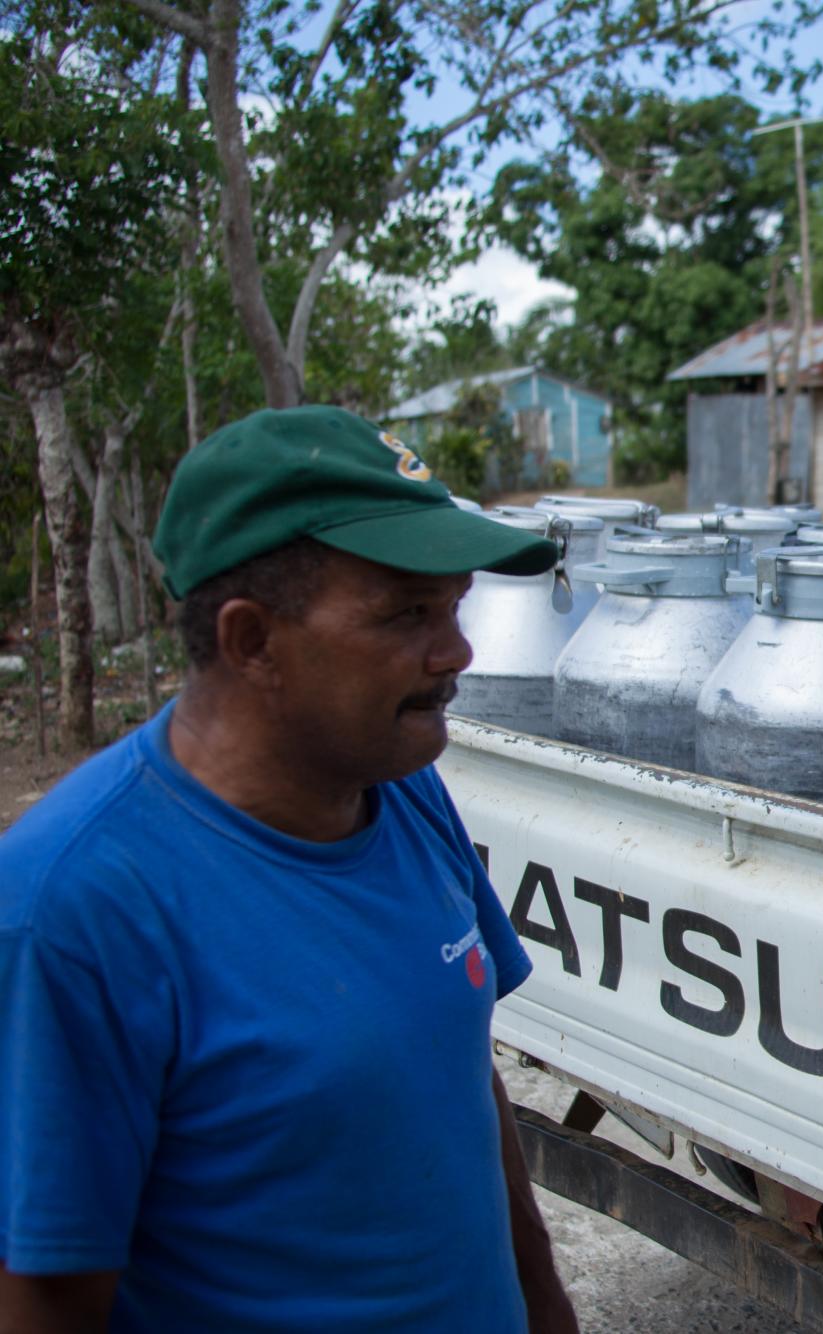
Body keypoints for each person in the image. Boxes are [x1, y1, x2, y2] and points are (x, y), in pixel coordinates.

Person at [0, 407, 580, 1332]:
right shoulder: (73, 907)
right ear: (251, 641)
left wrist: (546, 1311)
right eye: (407, 614)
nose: (457, 652)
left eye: (455, 605)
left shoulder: (401, 788)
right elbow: (48, 1294)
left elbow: (460, 1086)